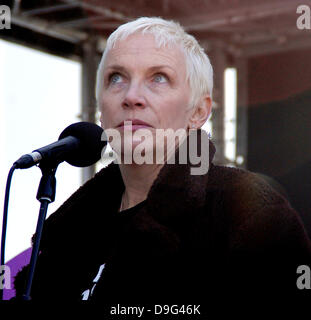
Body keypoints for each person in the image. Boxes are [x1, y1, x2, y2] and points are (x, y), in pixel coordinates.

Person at [14, 17, 311, 306]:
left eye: (159, 78)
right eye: (116, 78)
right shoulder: (70, 234)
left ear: (198, 112)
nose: (131, 96)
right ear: (100, 109)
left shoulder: (251, 213)